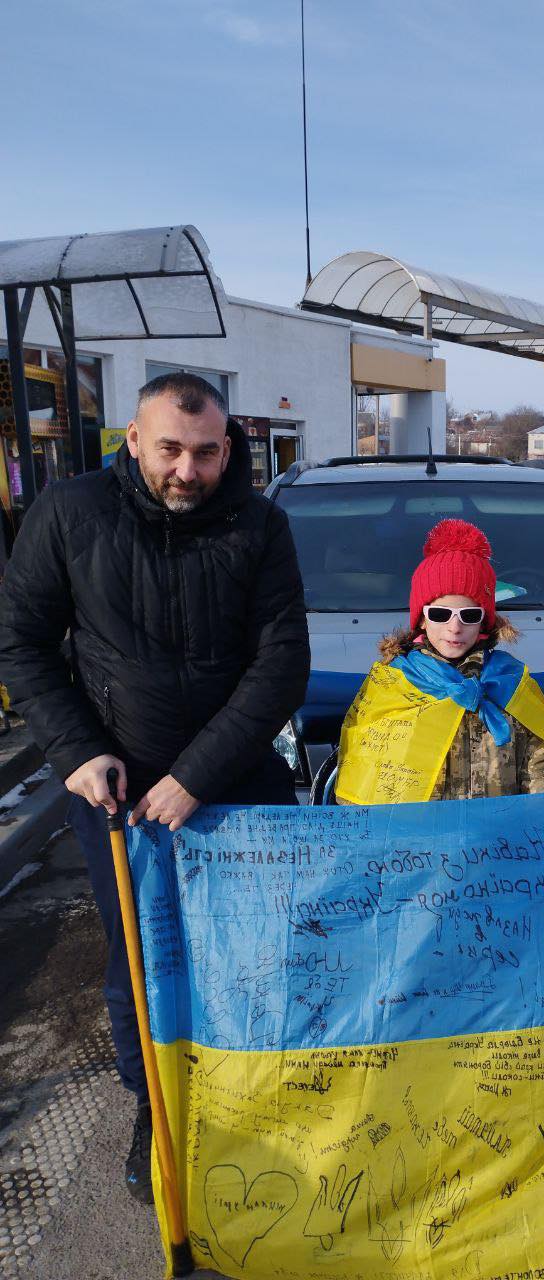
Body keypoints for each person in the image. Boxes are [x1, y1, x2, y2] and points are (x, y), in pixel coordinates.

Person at [0, 372, 310, 1202]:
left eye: (207, 453)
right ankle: (159, 1106)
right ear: (132, 439)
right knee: (141, 962)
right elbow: (21, 643)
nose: (188, 470)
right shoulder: (67, 515)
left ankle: (261, 1094)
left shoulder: (261, 524)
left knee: (258, 952)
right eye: (170, 448)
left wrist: (195, 779)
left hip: (239, 784)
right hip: (117, 792)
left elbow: (280, 666)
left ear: (227, 448)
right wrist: (75, 751)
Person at [335, 519, 544, 805]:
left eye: (469, 616)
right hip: (418, 845)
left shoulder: (511, 684)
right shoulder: (392, 685)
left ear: (484, 623)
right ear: (422, 619)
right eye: (441, 614)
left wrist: (537, 827)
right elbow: (362, 773)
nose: (454, 628)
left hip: (499, 842)